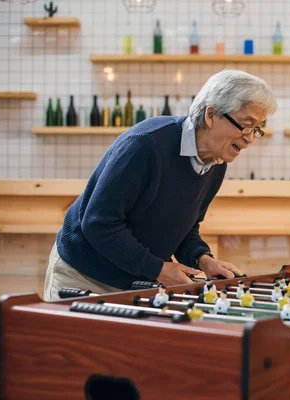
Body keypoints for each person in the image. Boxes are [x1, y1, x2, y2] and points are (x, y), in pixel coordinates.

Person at [43, 70, 277, 301]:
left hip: (134, 282)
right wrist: (158, 269)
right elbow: (99, 223)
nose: (250, 137)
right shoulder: (147, 144)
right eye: (246, 125)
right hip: (82, 276)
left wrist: (202, 259)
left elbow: (185, 227)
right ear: (211, 115)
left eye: (257, 129)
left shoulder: (216, 163)